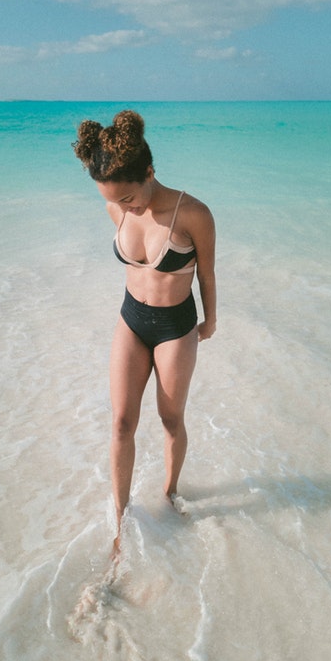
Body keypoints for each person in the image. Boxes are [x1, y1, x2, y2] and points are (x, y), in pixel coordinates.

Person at [73, 110, 216, 552]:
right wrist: (121, 206)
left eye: (130, 198)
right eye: (115, 200)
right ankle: (120, 522)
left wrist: (210, 321)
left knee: (170, 419)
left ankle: (170, 493)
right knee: (120, 423)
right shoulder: (114, 206)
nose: (125, 208)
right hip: (132, 319)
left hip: (176, 326)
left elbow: (207, 274)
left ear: (150, 171)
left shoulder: (193, 213)